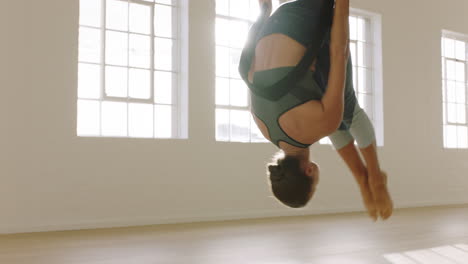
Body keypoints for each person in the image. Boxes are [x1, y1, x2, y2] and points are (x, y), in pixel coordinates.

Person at [238, 0, 393, 220]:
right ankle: (362, 178)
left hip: (312, 15)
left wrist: (341, 5)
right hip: (275, 21)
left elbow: (340, 51)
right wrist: (264, 11)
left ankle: (374, 178)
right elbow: (252, 57)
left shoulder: (318, 124)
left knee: (347, 110)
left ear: (309, 171)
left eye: (314, 186)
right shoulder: (264, 127)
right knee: (330, 116)